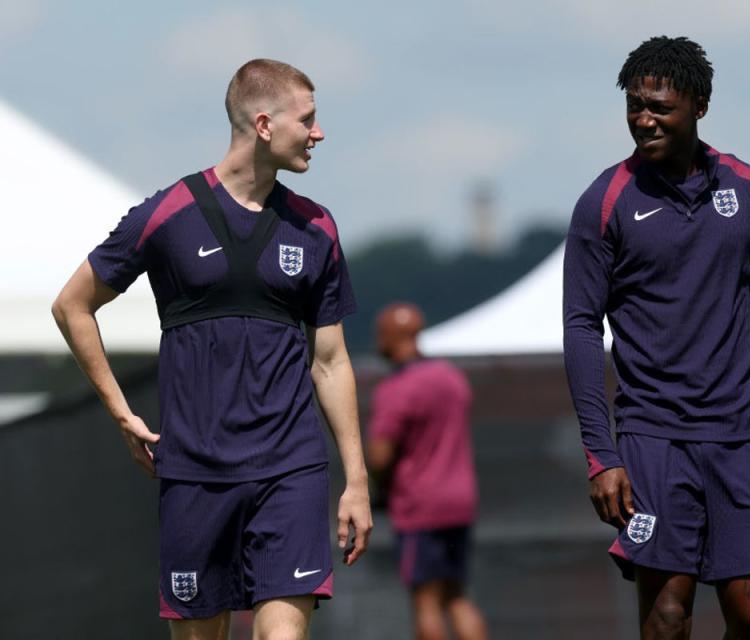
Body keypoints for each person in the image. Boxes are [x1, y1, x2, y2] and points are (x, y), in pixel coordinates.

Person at [51, 59, 372, 639]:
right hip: (194, 474)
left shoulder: (316, 226)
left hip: (291, 469)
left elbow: (330, 361)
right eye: (310, 119)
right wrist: (121, 413)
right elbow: (72, 305)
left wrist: (356, 480)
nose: (319, 133)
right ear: (266, 124)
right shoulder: (169, 213)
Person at [562, 37, 750, 639]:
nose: (643, 119)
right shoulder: (604, 203)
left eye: (659, 107)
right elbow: (580, 327)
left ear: (700, 106)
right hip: (653, 440)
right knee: (668, 617)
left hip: (742, 438)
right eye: (634, 106)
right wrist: (602, 455)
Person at [366, 303, 487, 640]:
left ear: (393, 336)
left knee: (426, 601)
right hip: (460, 502)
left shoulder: (396, 389)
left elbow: (379, 456)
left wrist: (378, 490)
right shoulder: (451, 377)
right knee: (458, 596)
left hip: (420, 506)